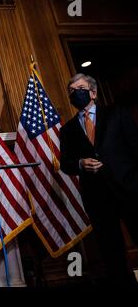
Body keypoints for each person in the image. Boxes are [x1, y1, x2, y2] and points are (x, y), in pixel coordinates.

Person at [60, 73, 138, 285]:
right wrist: (80, 164)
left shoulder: (117, 113)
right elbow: (65, 164)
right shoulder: (66, 130)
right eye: (72, 91)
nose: (77, 93)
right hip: (97, 197)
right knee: (112, 252)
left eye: (81, 88)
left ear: (93, 93)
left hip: (129, 189)